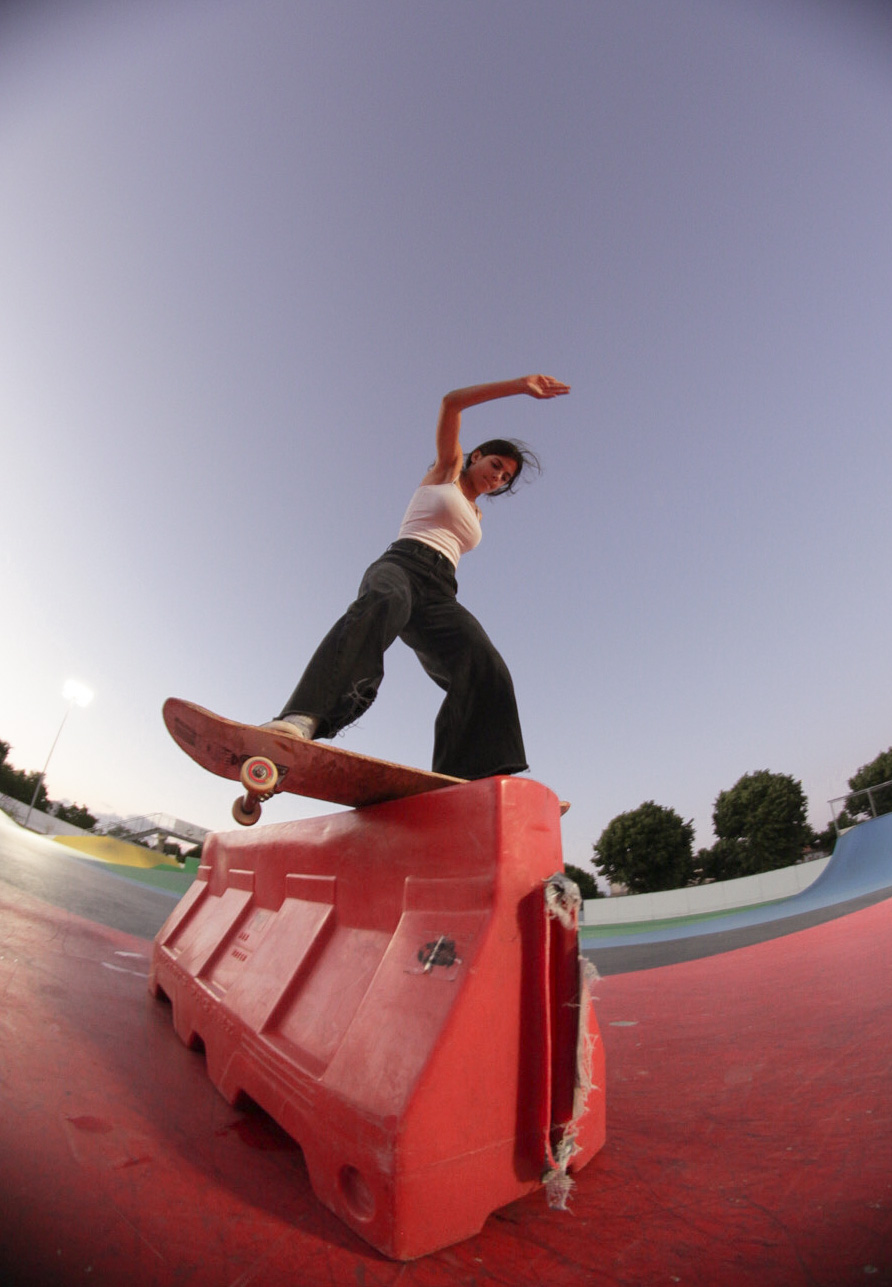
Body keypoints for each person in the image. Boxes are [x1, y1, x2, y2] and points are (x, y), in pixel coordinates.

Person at [263, 374, 570, 781]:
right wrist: (518, 387)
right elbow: (451, 403)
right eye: (495, 465)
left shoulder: (478, 515)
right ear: (476, 456)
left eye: (505, 478)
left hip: (442, 590)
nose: (497, 478)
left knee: (483, 663)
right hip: (401, 566)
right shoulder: (447, 471)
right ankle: (304, 717)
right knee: (384, 602)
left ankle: (470, 775)